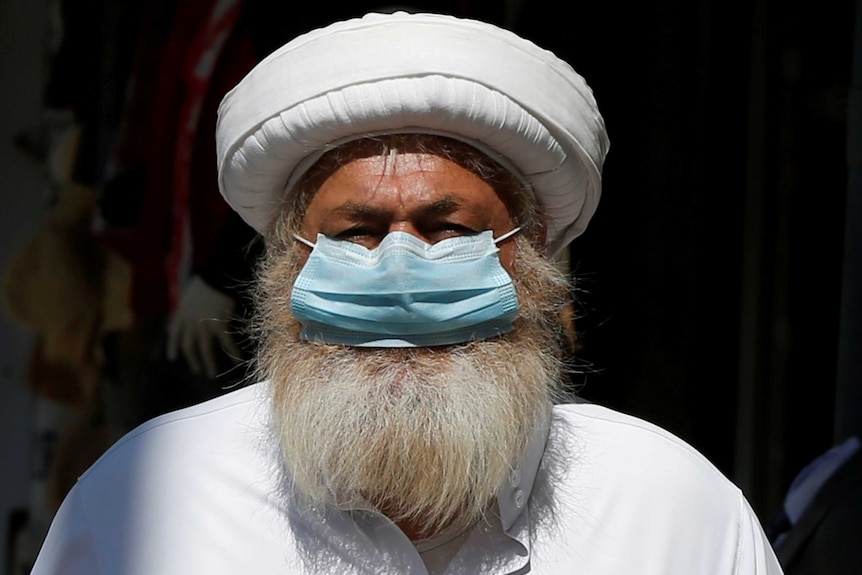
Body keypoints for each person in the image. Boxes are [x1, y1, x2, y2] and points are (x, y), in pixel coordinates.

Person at [30, 11, 783, 574]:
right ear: (286, 266)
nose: (398, 269)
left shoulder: (672, 508)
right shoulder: (148, 498)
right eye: (357, 231)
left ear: (533, 263)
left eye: (447, 227)